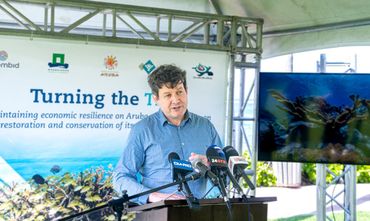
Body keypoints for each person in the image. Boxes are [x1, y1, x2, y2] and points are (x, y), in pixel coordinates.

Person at [113, 64, 223, 205]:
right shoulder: (142, 130)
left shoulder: (206, 127)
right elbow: (121, 177)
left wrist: (211, 164)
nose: (176, 100)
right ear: (155, 99)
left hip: (200, 212)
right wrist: (152, 196)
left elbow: (224, 176)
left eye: (179, 92)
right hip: (158, 212)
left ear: (186, 91)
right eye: (168, 95)